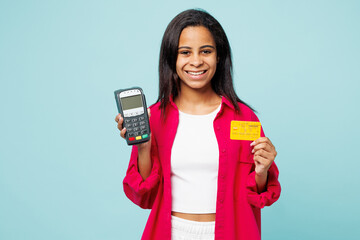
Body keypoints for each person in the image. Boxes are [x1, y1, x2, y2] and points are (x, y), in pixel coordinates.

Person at [115, 9, 281, 240]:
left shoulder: (244, 117)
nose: (196, 61)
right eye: (185, 52)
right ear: (172, 58)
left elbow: (258, 194)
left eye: (206, 51)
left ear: (219, 56)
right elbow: (144, 197)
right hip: (172, 231)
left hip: (230, 232)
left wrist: (262, 170)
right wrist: (144, 148)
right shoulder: (153, 117)